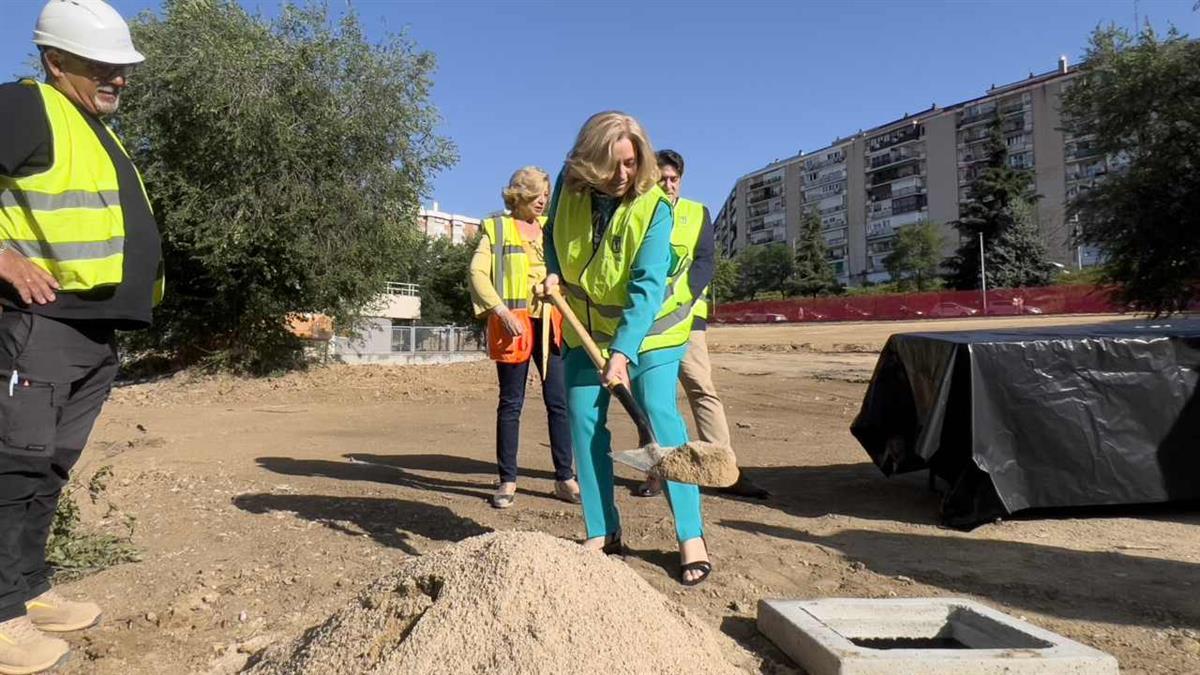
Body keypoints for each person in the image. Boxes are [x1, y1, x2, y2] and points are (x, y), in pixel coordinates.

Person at [0, 0, 164, 671]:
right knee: (12, 465)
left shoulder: (91, 125)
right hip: (40, 325)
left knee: (49, 467)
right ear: (56, 60)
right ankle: (2, 614)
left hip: (91, 335)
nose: (118, 77)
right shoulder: (25, 106)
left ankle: (29, 590)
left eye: (123, 67)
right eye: (104, 65)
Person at [541, 112, 711, 586]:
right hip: (586, 323)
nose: (623, 176)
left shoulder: (654, 205)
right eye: (612, 165)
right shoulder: (567, 184)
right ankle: (603, 530)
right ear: (589, 162)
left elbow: (646, 288)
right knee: (583, 415)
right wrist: (553, 270)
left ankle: (690, 535)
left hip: (652, 325)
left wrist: (623, 354)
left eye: (632, 164)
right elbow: (555, 234)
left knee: (657, 411)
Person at [635, 150, 770, 500]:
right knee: (652, 399)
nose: (667, 185)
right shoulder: (638, 212)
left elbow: (704, 263)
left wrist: (678, 304)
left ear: (680, 179)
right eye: (661, 178)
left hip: (686, 320)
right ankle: (656, 473)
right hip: (646, 324)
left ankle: (725, 472)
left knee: (701, 389)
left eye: (673, 179)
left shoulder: (697, 213)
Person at [469, 167, 579, 509]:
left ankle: (565, 478)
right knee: (511, 403)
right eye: (536, 195)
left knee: (558, 402)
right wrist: (500, 312)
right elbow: (476, 273)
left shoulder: (551, 229)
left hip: (551, 322)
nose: (543, 201)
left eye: (546, 194)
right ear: (518, 195)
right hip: (513, 324)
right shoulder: (496, 228)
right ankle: (508, 481)